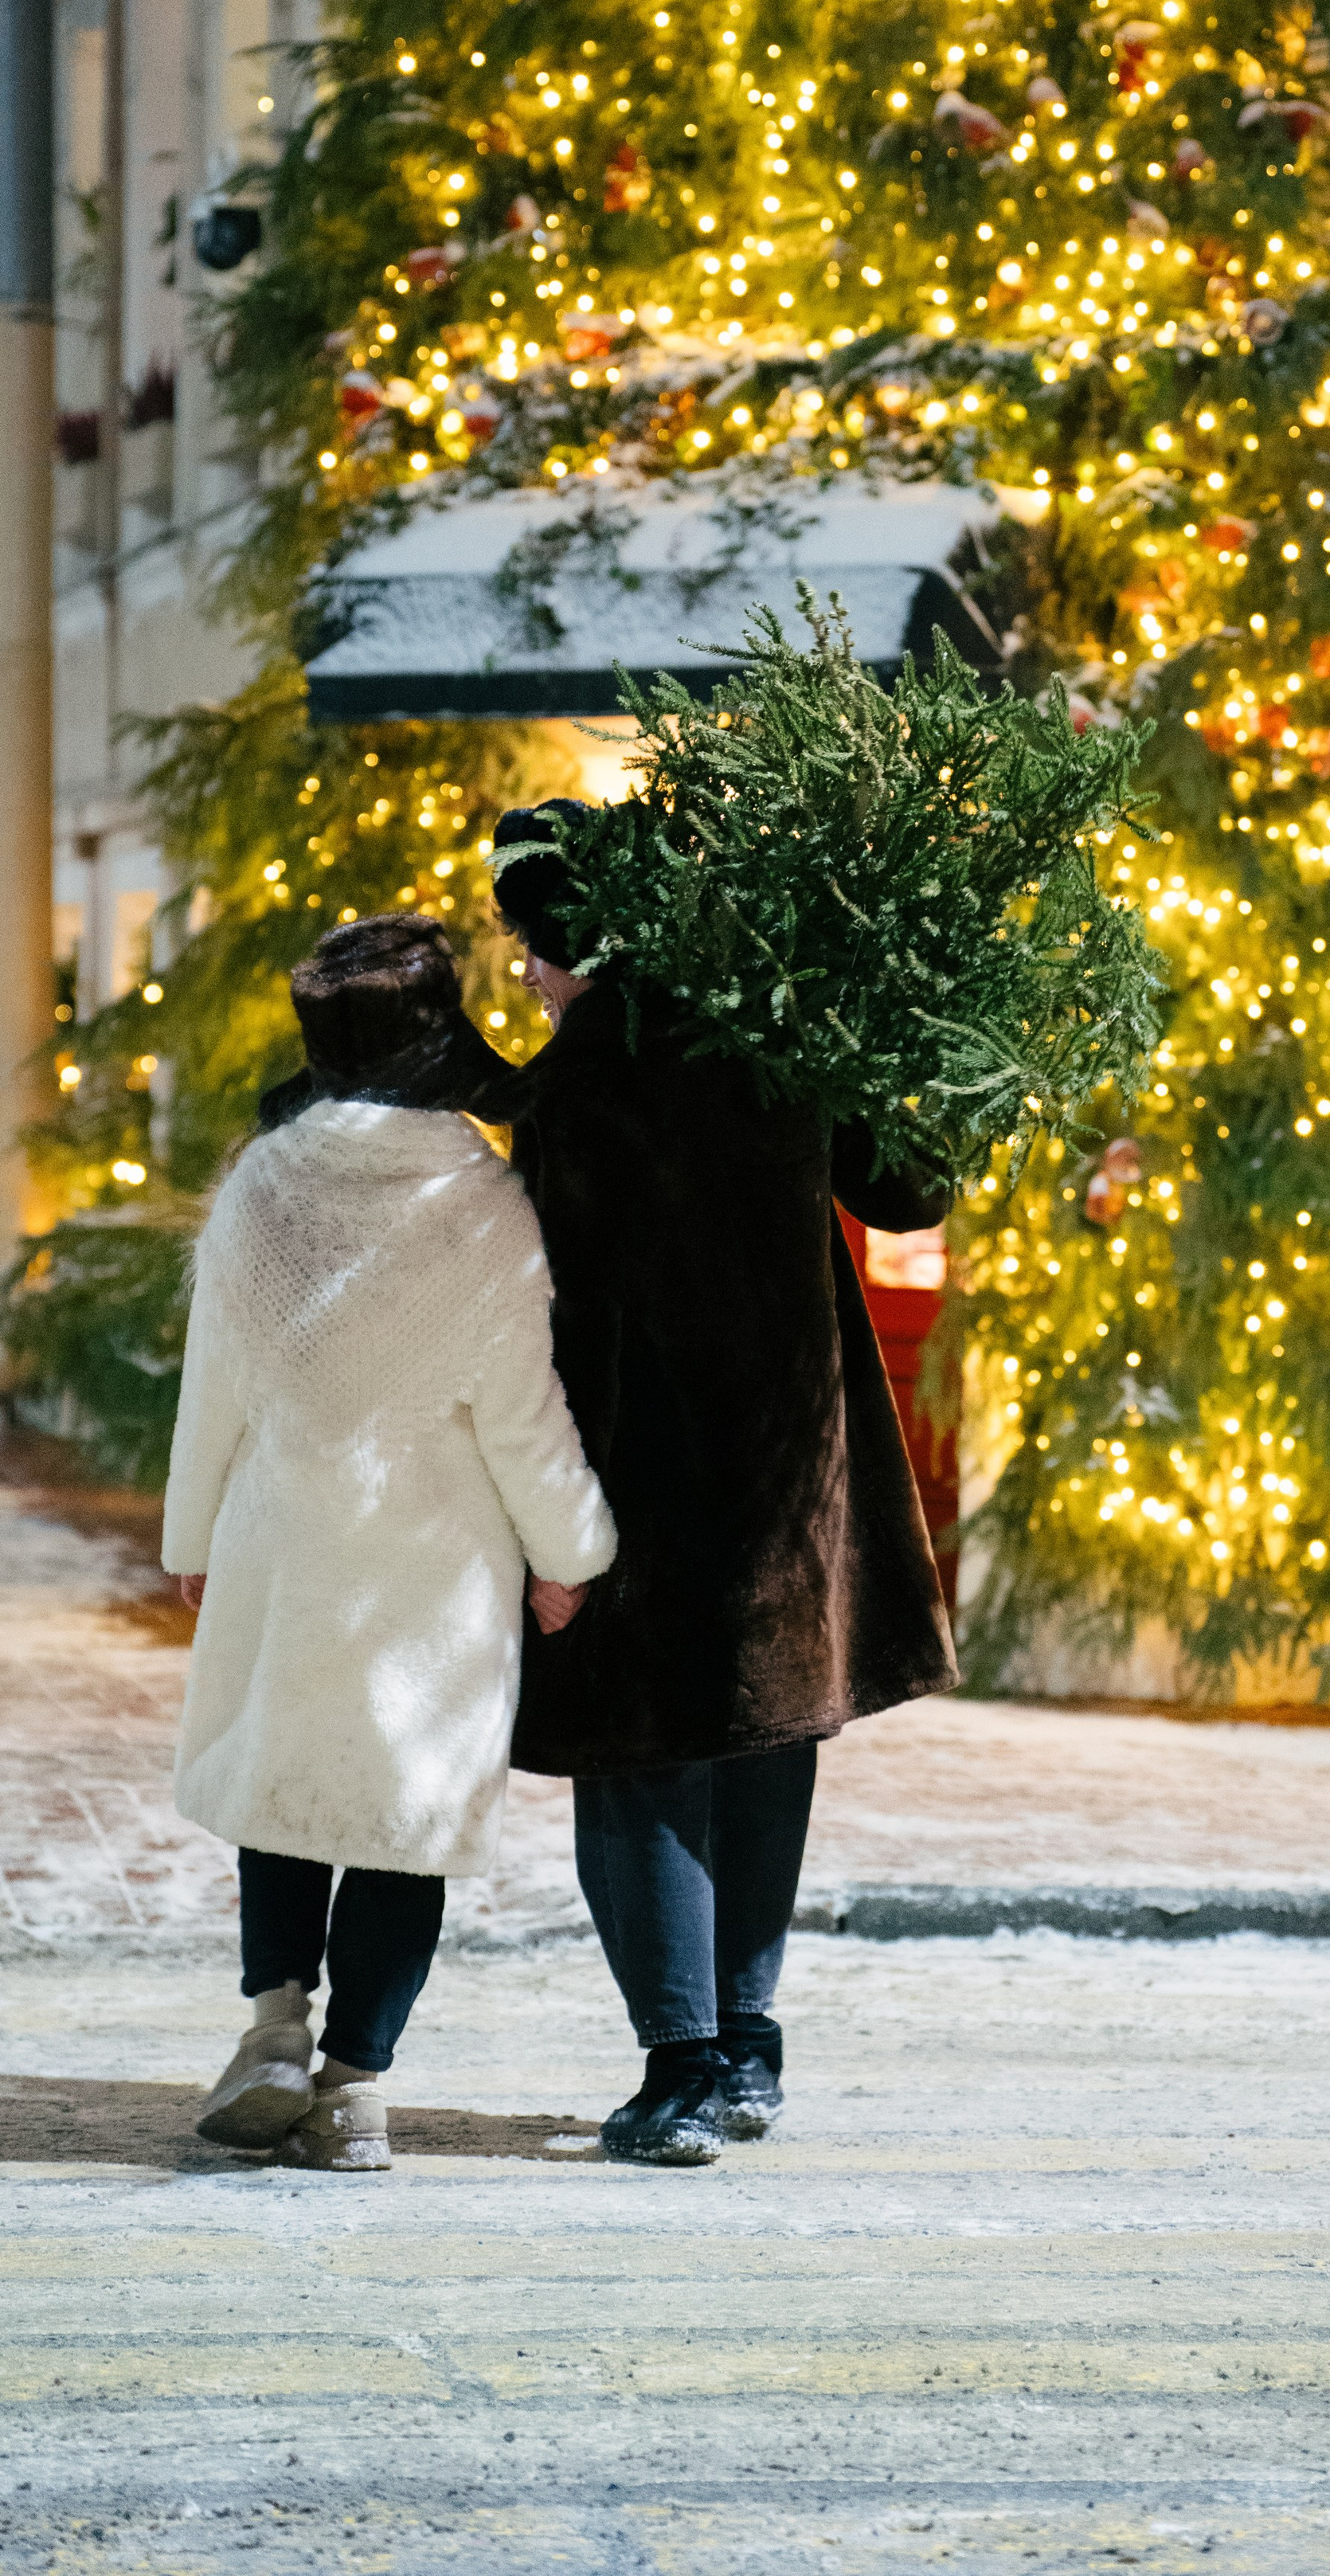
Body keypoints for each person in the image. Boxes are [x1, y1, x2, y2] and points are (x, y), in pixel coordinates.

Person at [489, 800, 958, 2166]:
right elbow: (910, 1193)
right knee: (767, 1744)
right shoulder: (780, 1020)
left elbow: (566, 1312)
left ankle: (682, 2066)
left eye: (531, 941)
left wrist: (555, 1529)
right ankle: (748, 2044)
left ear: (580, 935)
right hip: (798, 1470)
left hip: (652, 1472)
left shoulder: (587, 1077)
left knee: (639, 1768)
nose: (524, 969)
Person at [162, 914, 616, 2171]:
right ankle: (355, 2088)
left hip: (284, 1533)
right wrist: (570, 1552)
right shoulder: (483, 1202)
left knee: (287, 1781)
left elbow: (218, 1380)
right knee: (403, 1819)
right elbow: (526, 1415)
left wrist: (190, 1531)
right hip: (436, 1563)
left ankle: (269, 2028)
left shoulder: (264, 1181)